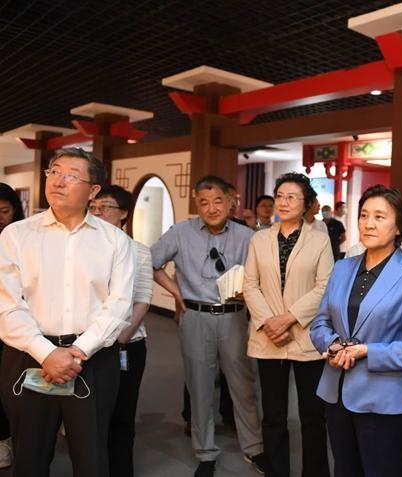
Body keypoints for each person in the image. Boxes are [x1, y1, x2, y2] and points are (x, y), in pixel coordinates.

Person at [0, 147, 135, 477]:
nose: (58, 181)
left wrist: (77, 351)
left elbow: (118, 305)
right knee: (29, 457)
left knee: (91, 457)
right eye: (54, 171)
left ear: (93, 191)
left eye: (71, 175)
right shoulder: (16, 234)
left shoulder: (115, 241)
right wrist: (46, 353)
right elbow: (6, 304)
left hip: (92, 359)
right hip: (27, 356)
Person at [310, 185, 402, 477]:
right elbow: (319, 322)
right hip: (337, 391)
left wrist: (368, 351)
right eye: (364, 215)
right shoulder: (342, 268)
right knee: (345, 470)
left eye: (379, 217)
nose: (368, 223)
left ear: (399, 226)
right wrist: (332, 345)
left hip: (384, 399)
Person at [151, 176, 265, 477]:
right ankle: (205, 452)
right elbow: (150, 262)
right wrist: (175, 292)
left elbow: (262, 276)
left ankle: (254, 447)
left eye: (218, 201)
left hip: (234, 316)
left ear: (231, 202)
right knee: (199, 385)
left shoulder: (247, 236)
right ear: (197, 204)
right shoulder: (180, 232)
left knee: (243, 384)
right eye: (204, 202)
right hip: (195, 316)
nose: (211, 208)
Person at [243, 172, 333, 477]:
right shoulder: (259, 239)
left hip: (305, 334)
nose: (284, 202)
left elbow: (325, 286)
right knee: (273, 413)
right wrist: (269, 322)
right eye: (280, 196)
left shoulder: (319, 240)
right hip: (269, 336)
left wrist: (288, 318)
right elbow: (250, 284)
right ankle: (277, 470)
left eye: (292, 197)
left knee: (312, 414)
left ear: (306, 203)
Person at [89, 185, 153, 477]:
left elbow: (142, 300)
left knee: (122, 414)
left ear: (124, 213)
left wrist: (118, 342)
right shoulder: (82, 248)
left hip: (126, 344)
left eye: (105, 207)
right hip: (85, 344)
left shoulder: (138, 251)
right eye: (93, 207)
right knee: (89, 416)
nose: (97, 213)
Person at [0, 183, 25, 469]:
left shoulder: (23, 238)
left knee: (10, 386)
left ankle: (8, 438)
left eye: (4, 211)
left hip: (16, 323)